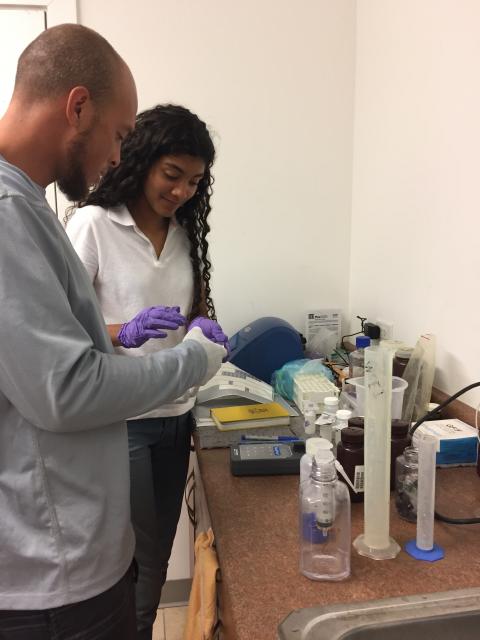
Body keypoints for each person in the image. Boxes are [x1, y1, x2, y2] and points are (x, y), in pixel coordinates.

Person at [0, 24, 226, 640]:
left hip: (72, 543)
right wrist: (194, 356)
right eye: (121, 135)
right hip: (50, 569)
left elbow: (49, 351)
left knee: (147, 558)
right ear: (78, 107)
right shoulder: (22, 215)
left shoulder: (27, 208)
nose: (117, 156)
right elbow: (67, 386)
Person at [66, 104, 228, 639]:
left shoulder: (185, 237)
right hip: (123, 418)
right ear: (141, 161)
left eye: (194, 181)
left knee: (157, 549)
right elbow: (61, 325)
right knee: (127, 554)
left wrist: (205, 326)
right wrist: (121, 332)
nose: (182, 190)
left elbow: (188, 316)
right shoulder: (93, 224)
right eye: (172, 175)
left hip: (176, 412)